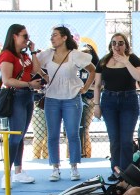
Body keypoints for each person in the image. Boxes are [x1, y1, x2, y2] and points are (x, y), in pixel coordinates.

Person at [38, 26, 96, 181]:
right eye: (51, 35)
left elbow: (93, 69)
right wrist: (44, 75)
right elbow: (34, 65)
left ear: (64, 38)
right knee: (53, 135)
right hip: (51, 99)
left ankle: (74, 166)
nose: (52, 38)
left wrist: (84, 88)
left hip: (72, 98)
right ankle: (55, 167)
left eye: (55, 35)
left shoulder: (75, 55)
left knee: (72, 133)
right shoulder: (47, 54)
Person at [0, 24, 44, 188]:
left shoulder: (24, 56)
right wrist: (29, 83)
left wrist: (33, 51)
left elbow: (35, 70)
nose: (27, 39)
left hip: (27, 96)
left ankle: (18, 171)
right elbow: (7, 80)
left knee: (21, 135)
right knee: (15, 136)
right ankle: (6, 174)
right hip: (16, 96)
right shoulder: (7, 55)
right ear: (14, 36)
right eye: (24, 36)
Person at [93, 33, 140, 180]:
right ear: (110, 45)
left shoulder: (133, 59)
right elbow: (97, 85)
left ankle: (126, 172)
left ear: (126, 45)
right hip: (109, 101)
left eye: (121, 43)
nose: (117, 46)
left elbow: (139, 77)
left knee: (126, 139)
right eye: (114, 43)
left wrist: (126, 62)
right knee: (114, 139)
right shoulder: (103, 61)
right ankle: (115, 170)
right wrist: (96, 105)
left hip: (129, 100)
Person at [78, 44, 100, 159]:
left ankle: (86, 155)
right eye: (83, 53)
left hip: (89, 99)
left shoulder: (95, 68)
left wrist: (85, 88)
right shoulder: (76, 66)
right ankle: (72, 154)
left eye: (88, 53)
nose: (85, 56)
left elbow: (98, 86)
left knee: (85, 129)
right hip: (76, 99)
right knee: (72, 130)